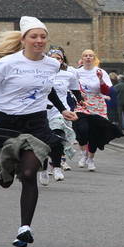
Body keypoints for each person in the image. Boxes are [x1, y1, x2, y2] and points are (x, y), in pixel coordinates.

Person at [0, 16, 78, 247]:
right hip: (6, 124)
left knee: (30, 173)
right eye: (34, 36)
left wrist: (64, 110)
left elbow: (49, 90)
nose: (39, 41)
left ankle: (24, 228)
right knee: (5, 182)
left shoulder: (52, 64)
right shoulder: (7, 64)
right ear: (23, 39)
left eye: (43, 36)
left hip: (36, 124)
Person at [71, 49, 124, 171]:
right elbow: (71, 87)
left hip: (98, 103)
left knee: (94, 133)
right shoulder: (77, 72)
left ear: (94, 58)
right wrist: (78, 95)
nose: (88, 58)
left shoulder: (100, 72)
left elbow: (107, 91)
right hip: (82, 103)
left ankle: (90, 159)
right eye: (85, 56)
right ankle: (84, 153)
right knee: (82, 129)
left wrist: (100, 80)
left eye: (90, 56)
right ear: (82, 58)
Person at [46, 47, 84, 178]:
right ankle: (44, 168)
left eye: (58, 58)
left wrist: (80, 100)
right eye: (53, 58)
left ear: (62, 60)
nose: (56, 60)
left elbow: (75, 90)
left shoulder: (69, 74)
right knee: (43, 142)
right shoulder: (41, 72)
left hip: (60, 111)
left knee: (58, 137)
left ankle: (56, 166)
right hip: (41, 111)